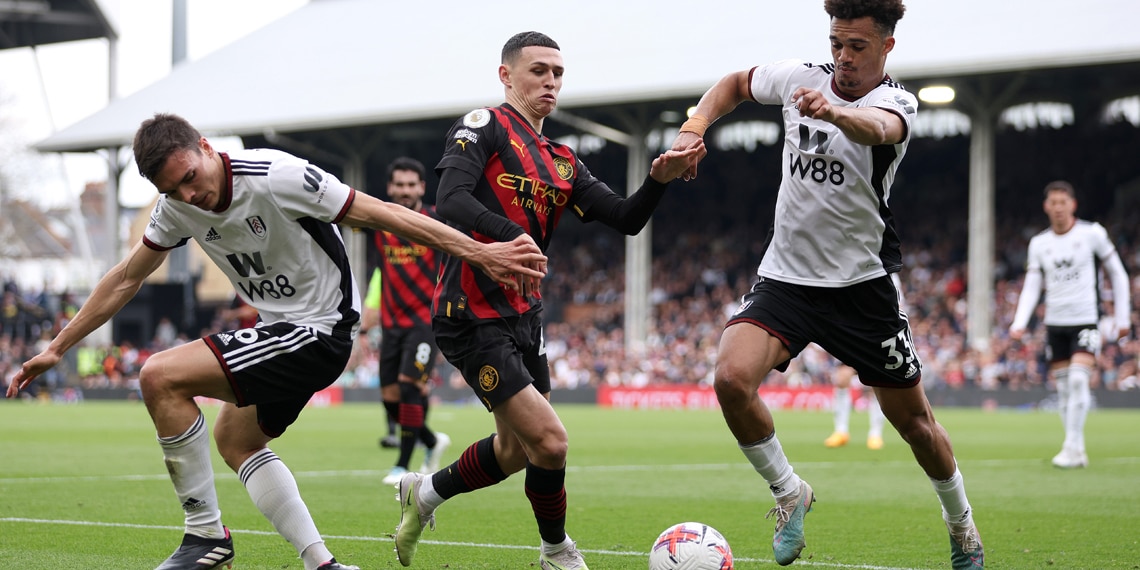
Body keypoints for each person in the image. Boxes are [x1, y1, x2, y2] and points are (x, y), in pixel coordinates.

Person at [6, 113, 546, 570]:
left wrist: (482, 252)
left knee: (159, 376)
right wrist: (58, 346)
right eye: (172, 190)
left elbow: (386, 215)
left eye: (190, 177)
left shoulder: (277, 175)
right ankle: (323, 563)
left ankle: (205, 536)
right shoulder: (177, 207)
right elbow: (127, 277)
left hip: (321, 328)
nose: (189, 194)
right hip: (282, 331)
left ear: (206, 147)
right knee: (236, 442)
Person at [669, 1, 984, 568]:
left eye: (857, 46)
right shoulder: (799, 77)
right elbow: (735, 82)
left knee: (915, 425)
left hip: (861, 288)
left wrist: (835, 114)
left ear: (887, 46)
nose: (842, 56)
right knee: (730, 379)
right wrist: (695, 127)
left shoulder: (897, 102)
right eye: (837, 42)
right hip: (786, 278)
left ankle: (961, 525)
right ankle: (790, 491)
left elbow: (877, 128)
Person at [393, 31, 702, 570]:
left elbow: (627, 219)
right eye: (538, 70)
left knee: (515, 450)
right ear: (506, 75)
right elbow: (450, 200)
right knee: (552, 442)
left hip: (523, 318)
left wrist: (659, 179)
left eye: (558, 73)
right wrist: (509, 235)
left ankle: (425, 494)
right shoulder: (483, 127)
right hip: (470, 315)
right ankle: (556, 551)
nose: (551, 82)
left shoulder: (561, 160)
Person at [1009, 180, 1131, 469]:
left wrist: (1123, 317)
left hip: (1087, 319)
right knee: (1064, 388)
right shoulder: (1039, 243)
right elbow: (1032, 285)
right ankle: (1076, 448)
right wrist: (1019, 321)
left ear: (1073, 205)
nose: (1059, 208)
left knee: (1078, 379)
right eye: (1053, 203)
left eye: (1063, 202)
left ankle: (1071, 446)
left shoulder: (1092, 234)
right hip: (1055, 324)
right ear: (1046, 207)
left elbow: (1118, 273)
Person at [361, 157, 451, 485]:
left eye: (411, 184)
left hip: (424, 322)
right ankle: (430, 440)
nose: (405, 190)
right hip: (391, 323)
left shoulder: (435, 220)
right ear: (389, 188)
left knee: (409, 385)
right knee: (389, 395)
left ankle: (402, 467)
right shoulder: (381, 223)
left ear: (422, 188)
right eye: (399, 184)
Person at [824, 364, 887, 450]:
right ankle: (841, 432)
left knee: (876, 383)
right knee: (842, 378)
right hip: (855, 351)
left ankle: (875, 435)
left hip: (872, 352)